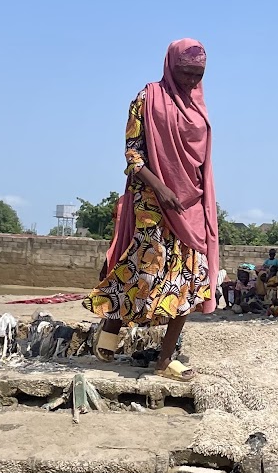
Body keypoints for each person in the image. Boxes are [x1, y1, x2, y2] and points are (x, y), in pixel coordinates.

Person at [85, 39, 218, 379]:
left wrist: (200, 200)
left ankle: (164, 361)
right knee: (144, 271)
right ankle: (112, 328)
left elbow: (201, 160)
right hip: (153, 201)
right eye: (186, 73)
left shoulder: (199, 107)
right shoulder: (147, 99)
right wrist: (161, 186)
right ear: (171, 66)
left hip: (191, 203)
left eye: (198, 75)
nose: (191, 81)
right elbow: (132, 155)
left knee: (192, 278)